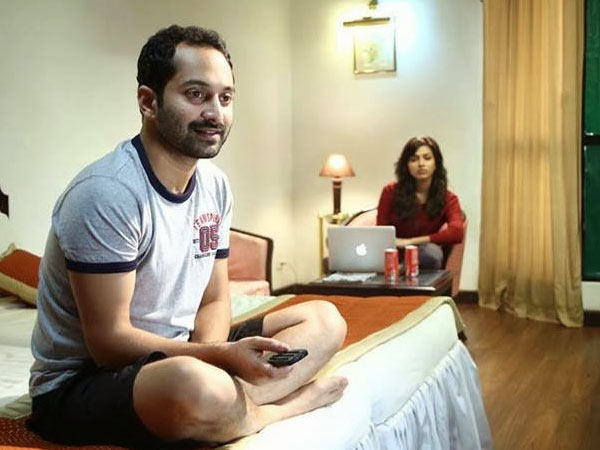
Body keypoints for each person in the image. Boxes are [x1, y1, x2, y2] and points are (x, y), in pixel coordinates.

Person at [29, 25, 348, 449]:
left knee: (324, 320)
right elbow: (108, 344)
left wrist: (213, 355)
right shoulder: (107, 193)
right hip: (85, 384)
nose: (215, 113)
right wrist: (216, 361)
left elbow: (213, 299)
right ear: (148, 102)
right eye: (196, 95)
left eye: (225, 98)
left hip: (181, 352)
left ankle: (223, 407)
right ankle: (277, 408)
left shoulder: (214, 186)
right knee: (192, 384)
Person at [376, 136, 464, 269]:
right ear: (406, 165)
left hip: (424, 255)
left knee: (431, 253)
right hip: (393, 251)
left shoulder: (448, 198)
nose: (421, 164)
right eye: (414, 159)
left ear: (436, 164)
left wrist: (411, 242)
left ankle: (407, 274)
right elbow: (380, 230)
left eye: (427, 158)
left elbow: (456, 232)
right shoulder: (390, 191)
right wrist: (396, 244)